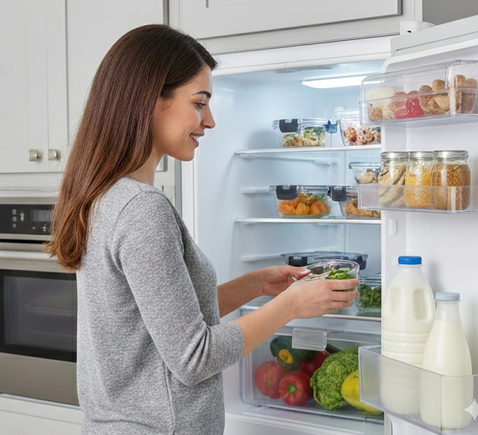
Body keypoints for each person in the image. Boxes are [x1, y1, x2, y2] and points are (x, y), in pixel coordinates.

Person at [46, 24, 358, 435]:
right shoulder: (142, 209)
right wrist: (293, 305)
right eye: (199, 103)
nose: (209, 121)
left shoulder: (107, 196)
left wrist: (256, 284)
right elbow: (194, 356)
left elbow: (159, 320)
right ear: (151, 100)